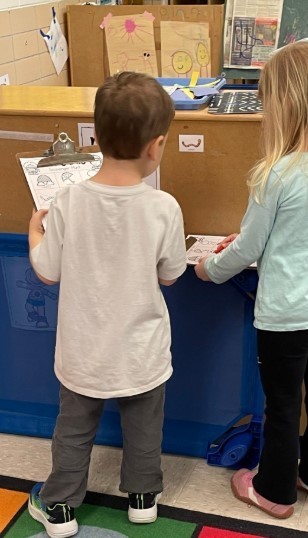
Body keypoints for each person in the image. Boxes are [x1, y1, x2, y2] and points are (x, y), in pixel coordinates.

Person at [195, 41, 308, 519]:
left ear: (284, 104)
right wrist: (254, 237)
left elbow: (248, 249)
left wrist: (209, 269)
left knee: (283, 404)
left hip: (287, 315)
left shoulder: (276, 174)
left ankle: (273, 492)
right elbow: (307, 231)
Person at [27, 71, 187, 537]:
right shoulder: (164, 207)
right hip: (142, 349)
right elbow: (171, 274)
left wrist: (35, 231)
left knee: (73, 430)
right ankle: (142, 500)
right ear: (156, 146)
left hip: (83, 351)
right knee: (144, 427)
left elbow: (47, 271)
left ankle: (58, 510)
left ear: (94, 138)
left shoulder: (68, 201)